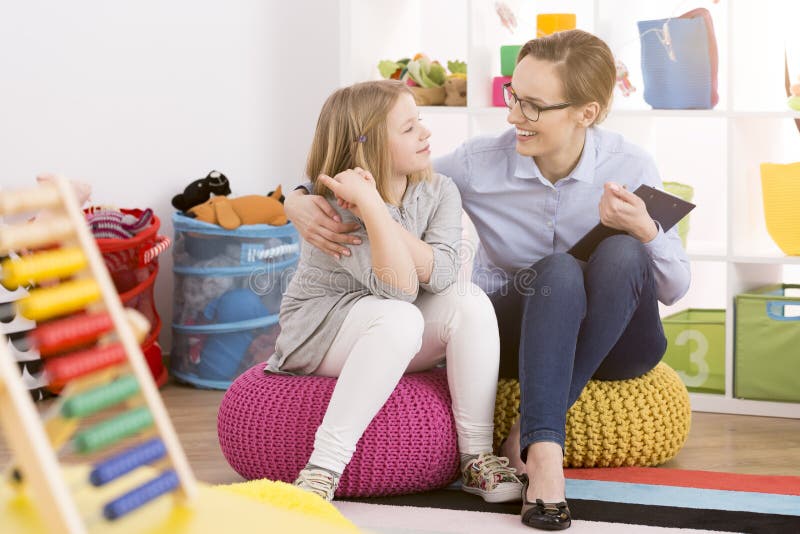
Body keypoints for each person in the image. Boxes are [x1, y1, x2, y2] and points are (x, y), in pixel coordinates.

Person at [285, 30, 691, 529]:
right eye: (512, 96)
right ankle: (544, 458)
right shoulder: (481, 163)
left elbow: (673, 288)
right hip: (528, 327)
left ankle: (532, 424)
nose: (513, 116)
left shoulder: (630, 165)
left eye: (533, 106)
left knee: (625, 251)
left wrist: (646, 229)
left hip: (621, 341)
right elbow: (379, 158)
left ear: (585, 113)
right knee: (558, 271)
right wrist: (299, 197)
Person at [266, 79, 523, 504]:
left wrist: (378, 211)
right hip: (321, 331)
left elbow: (442, 275)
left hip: (388, 326)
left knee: (471, 301)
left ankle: (476, 459)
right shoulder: (335, 203)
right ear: (366, 145)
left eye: (419, 121)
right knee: (400, 315)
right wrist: (368, 206)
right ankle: (322, 468)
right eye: (408, 128)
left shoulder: (439, 190)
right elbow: (400, 290)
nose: (425, 133)